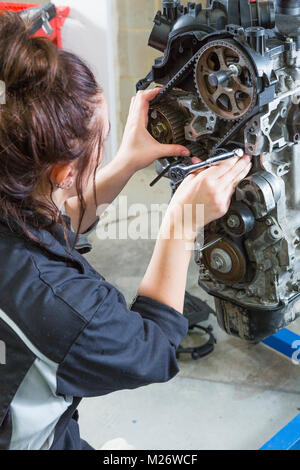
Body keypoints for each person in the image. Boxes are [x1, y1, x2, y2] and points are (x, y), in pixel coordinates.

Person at [0, 12, 252, 450]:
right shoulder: (63, 309)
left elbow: (38, 229)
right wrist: (183, 221)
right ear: (62, 173)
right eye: (102, 146)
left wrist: (126, 160)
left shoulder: (12, 199)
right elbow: (149, 350)